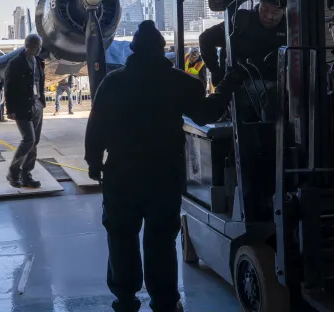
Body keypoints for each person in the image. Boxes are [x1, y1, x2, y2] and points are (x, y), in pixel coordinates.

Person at [84, 20, 243, 312]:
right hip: (163, 175)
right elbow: (207, 113)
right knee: (160, 240)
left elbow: (96, 128)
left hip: (122, 174)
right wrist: (229, 83)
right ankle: (165, 301)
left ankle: (126, 300)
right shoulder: (180, 82)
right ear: (162, 49)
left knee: (121, 238)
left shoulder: (113, 83)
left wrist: (94, 163)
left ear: (132, 50)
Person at [4, 33, 46, 189]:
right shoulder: (15, 63)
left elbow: (40, 82)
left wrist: (41, 103)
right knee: (28, 139)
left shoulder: (39, 62)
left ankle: (27, 175)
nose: (38, 50)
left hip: (37, 105)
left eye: (40, 47)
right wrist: (10, 109)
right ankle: (13, 173)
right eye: (36, 47)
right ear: (27, 46)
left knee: (34, 142)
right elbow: (8, 87)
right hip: (22, 106)